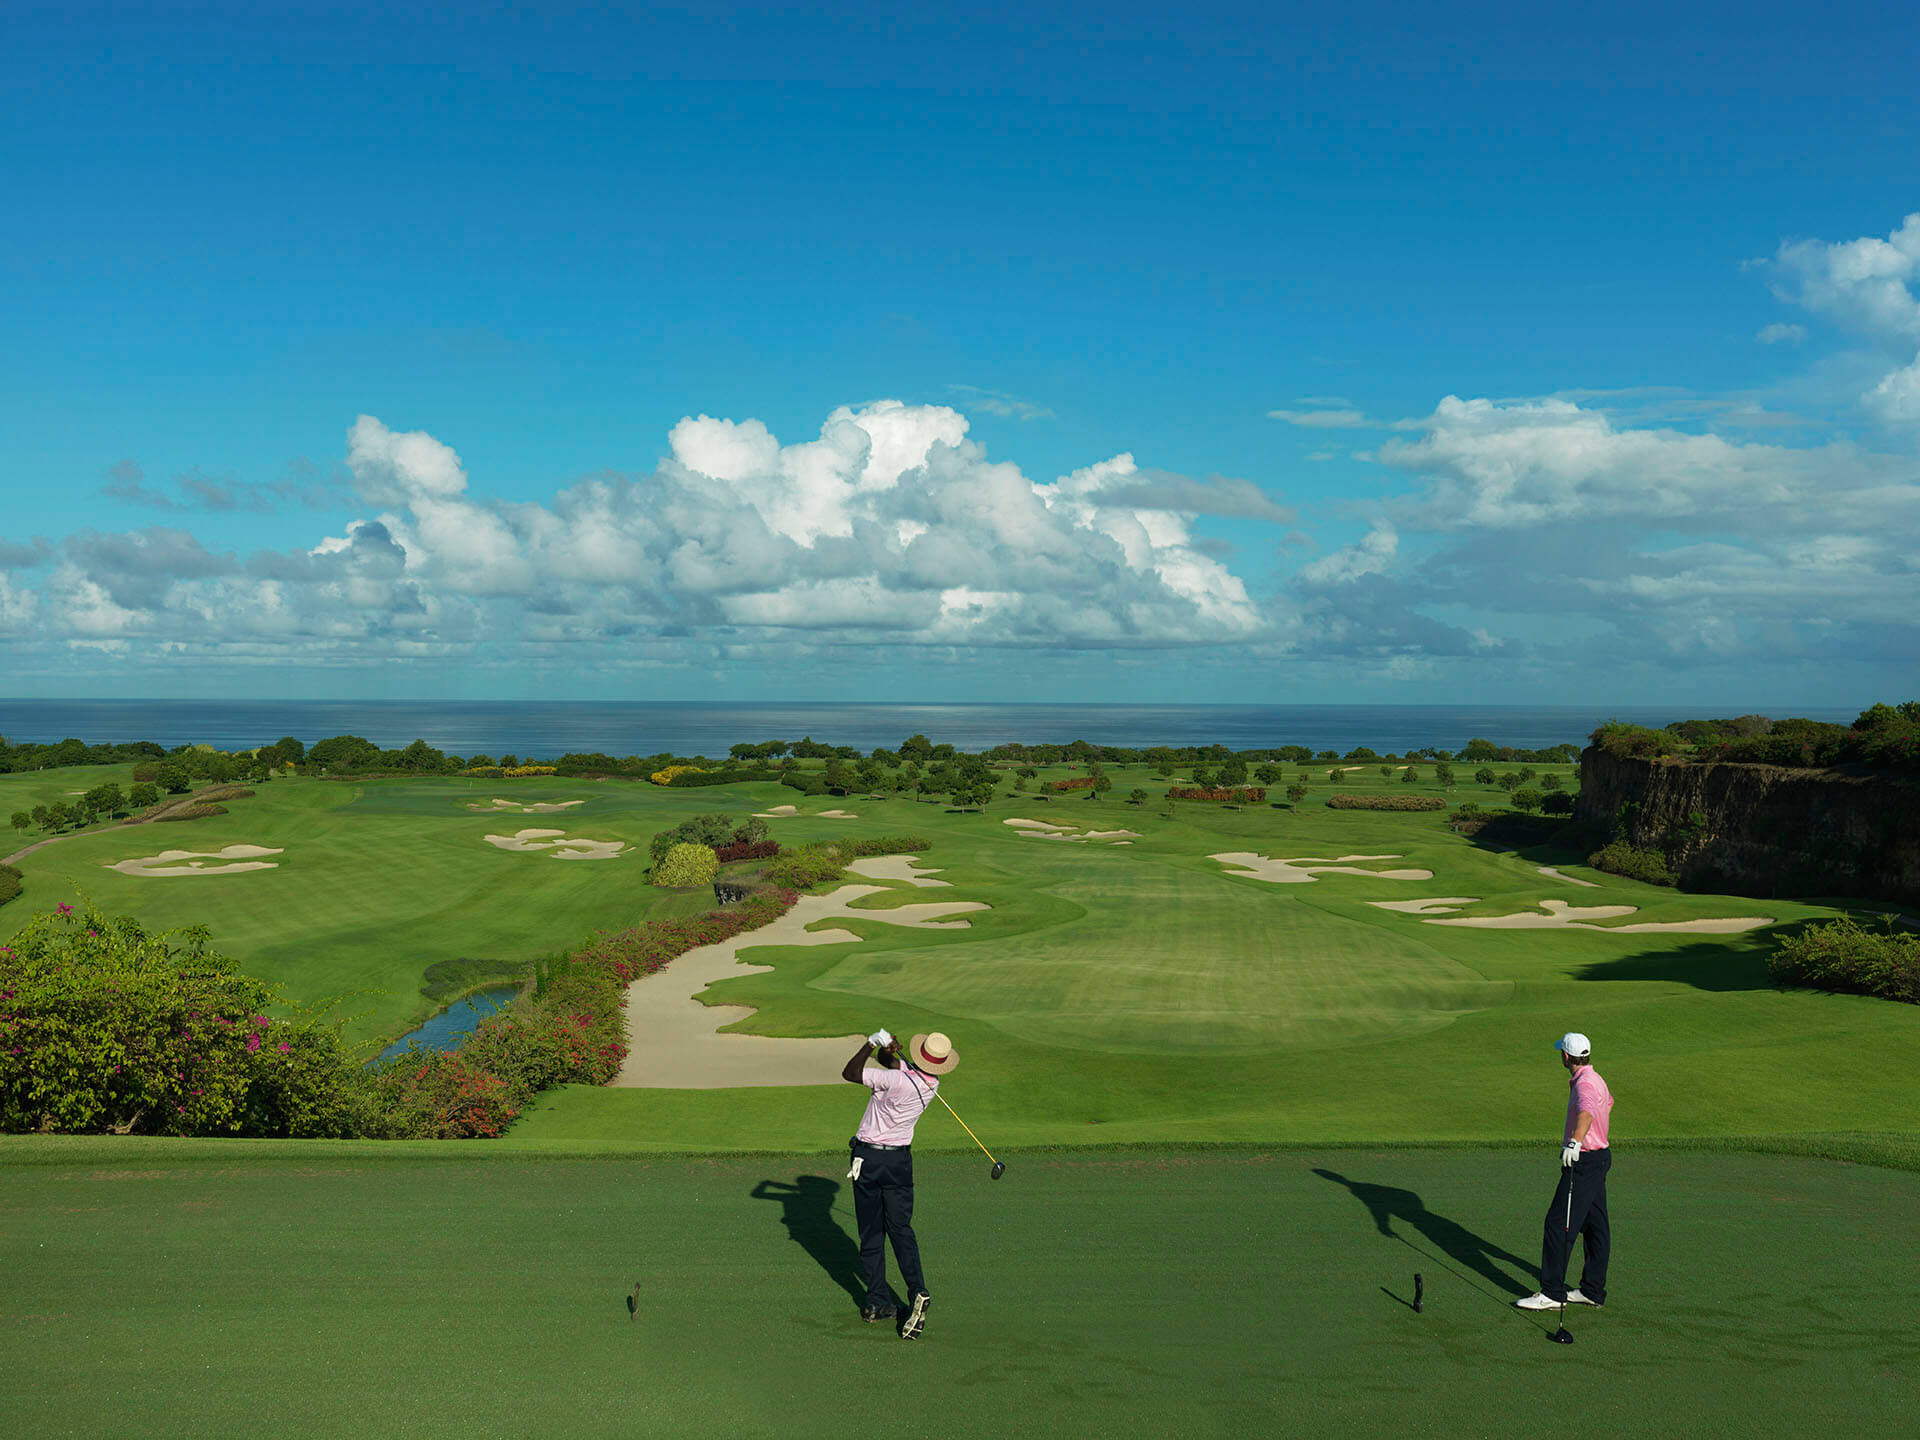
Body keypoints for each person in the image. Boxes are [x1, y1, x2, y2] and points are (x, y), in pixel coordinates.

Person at [840, 1027, 958, 1340]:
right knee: (901, 1229)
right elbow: (891, 1065)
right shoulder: (931, 1083)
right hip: (899, 1164)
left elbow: (850, 1072)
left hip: (869, 1160)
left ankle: (877, 1300)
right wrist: (888, 1051)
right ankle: (911, 1292)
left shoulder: (895, 1080)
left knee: (871, 1232)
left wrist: (869, 1044)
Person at [1516, 1031, 1614, 1311]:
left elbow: (1586, 1112)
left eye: (1562, 1052)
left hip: (1583, 1162)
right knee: (1596, 1227)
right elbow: (1608, 1104)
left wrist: (1575, 1142)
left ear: (1567, 1056)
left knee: (1558, 1225)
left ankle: (1552, 1293)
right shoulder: (1596, 1079)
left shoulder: (1584, 1084)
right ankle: (1592, 1290)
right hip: (1600, 1158)